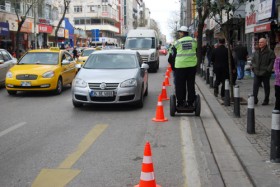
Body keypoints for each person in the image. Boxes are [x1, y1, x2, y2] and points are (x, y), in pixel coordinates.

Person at [172, 26, 197, 109]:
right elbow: (196, 52)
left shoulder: (177, 43)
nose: (179, 34)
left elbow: (172, 56)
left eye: (180, 32)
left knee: (180, 85)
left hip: (180, 67)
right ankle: (190, 103)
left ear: (182, 33)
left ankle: (180, 102)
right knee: (191, 84)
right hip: (192, 67)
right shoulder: (194, 41)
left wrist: (173, 67)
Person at [251, 38, 275, 105]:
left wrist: (268, 70)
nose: (260, 44)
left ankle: (266, 100)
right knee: (255, 87)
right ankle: (255, 99)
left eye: (261, 42)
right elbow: (253, 60)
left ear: (265, 43)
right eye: (259, 42)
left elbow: (272, 61)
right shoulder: (256, 51)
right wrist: (253, 67)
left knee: (266, 87)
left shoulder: (270, 52)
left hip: (265, 73)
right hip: (257, 72)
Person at [274, 43, 280, 110]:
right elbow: (277, 71)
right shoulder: (278, 59)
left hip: (278, 83)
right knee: (278, 98)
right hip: (278, 83)